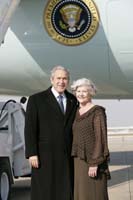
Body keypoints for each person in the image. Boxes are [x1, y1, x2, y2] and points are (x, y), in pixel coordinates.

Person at [24, 66, 77, 200]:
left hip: (66, 156)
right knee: (45, 191)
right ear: (51, 80)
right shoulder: (37, 100)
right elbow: (30, 128)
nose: (61, 81)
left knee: (65, 191)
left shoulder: (73, 100)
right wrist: (32, 153)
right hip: (44, 156)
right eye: (58, 78)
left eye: (65, 78)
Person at [71, 78, 110, 200]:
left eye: (84, 91)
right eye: (78, 91)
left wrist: (95, 163)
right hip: (78, 159)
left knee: (95, 193)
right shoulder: (76, 111)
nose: (81, 94)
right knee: (82, 194)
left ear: (91, 93)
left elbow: (101, 138)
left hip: (93, 160)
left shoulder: (97, 111)